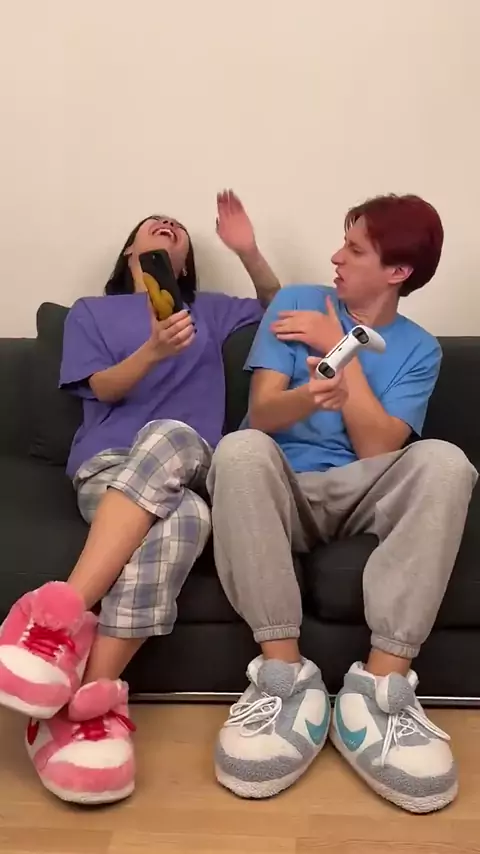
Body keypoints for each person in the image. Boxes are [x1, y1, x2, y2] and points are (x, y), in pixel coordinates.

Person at [0, 190, 284, 805]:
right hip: (109, 469)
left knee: (175, 439)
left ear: (183, 265)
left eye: (178, 230)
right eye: (154, 226)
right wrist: (154, 348)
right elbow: (101, 388)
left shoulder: (209, 310)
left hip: (189, 460)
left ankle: (52, 622)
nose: (167, 225)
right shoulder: (92, 313)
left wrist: (248, 251)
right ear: (131, 252)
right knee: (190, 520)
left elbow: (279, 309)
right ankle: (86, 703)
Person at [207, 193, 478, 813]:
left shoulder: (420, 349)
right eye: (342, 242)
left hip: (361, 489)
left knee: (445, 460)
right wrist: (311, 395)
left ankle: (380, 693)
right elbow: (262, 414)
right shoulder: (296, 303)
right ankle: (283, 679)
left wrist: (342, 347)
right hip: (284, 487)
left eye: (354, 250)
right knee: (239, 449)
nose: (336, 257)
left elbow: (379, 447)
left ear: (397, 271)